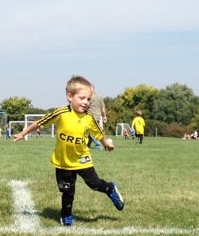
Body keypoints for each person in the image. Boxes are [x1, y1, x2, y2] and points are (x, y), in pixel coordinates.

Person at [13, 75, 124, 226]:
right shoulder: (60, 113)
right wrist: (23, 133)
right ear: (70, 96)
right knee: (67, 190)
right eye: (82, 98)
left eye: (88, 99)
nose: (86, 102)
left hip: (82, 159)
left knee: (94, 184)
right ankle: (66, 215)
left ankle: (110, 188)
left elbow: (98, 133)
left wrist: (106, 144)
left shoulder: (89, 118)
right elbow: (39, 123)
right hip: (63, 161)